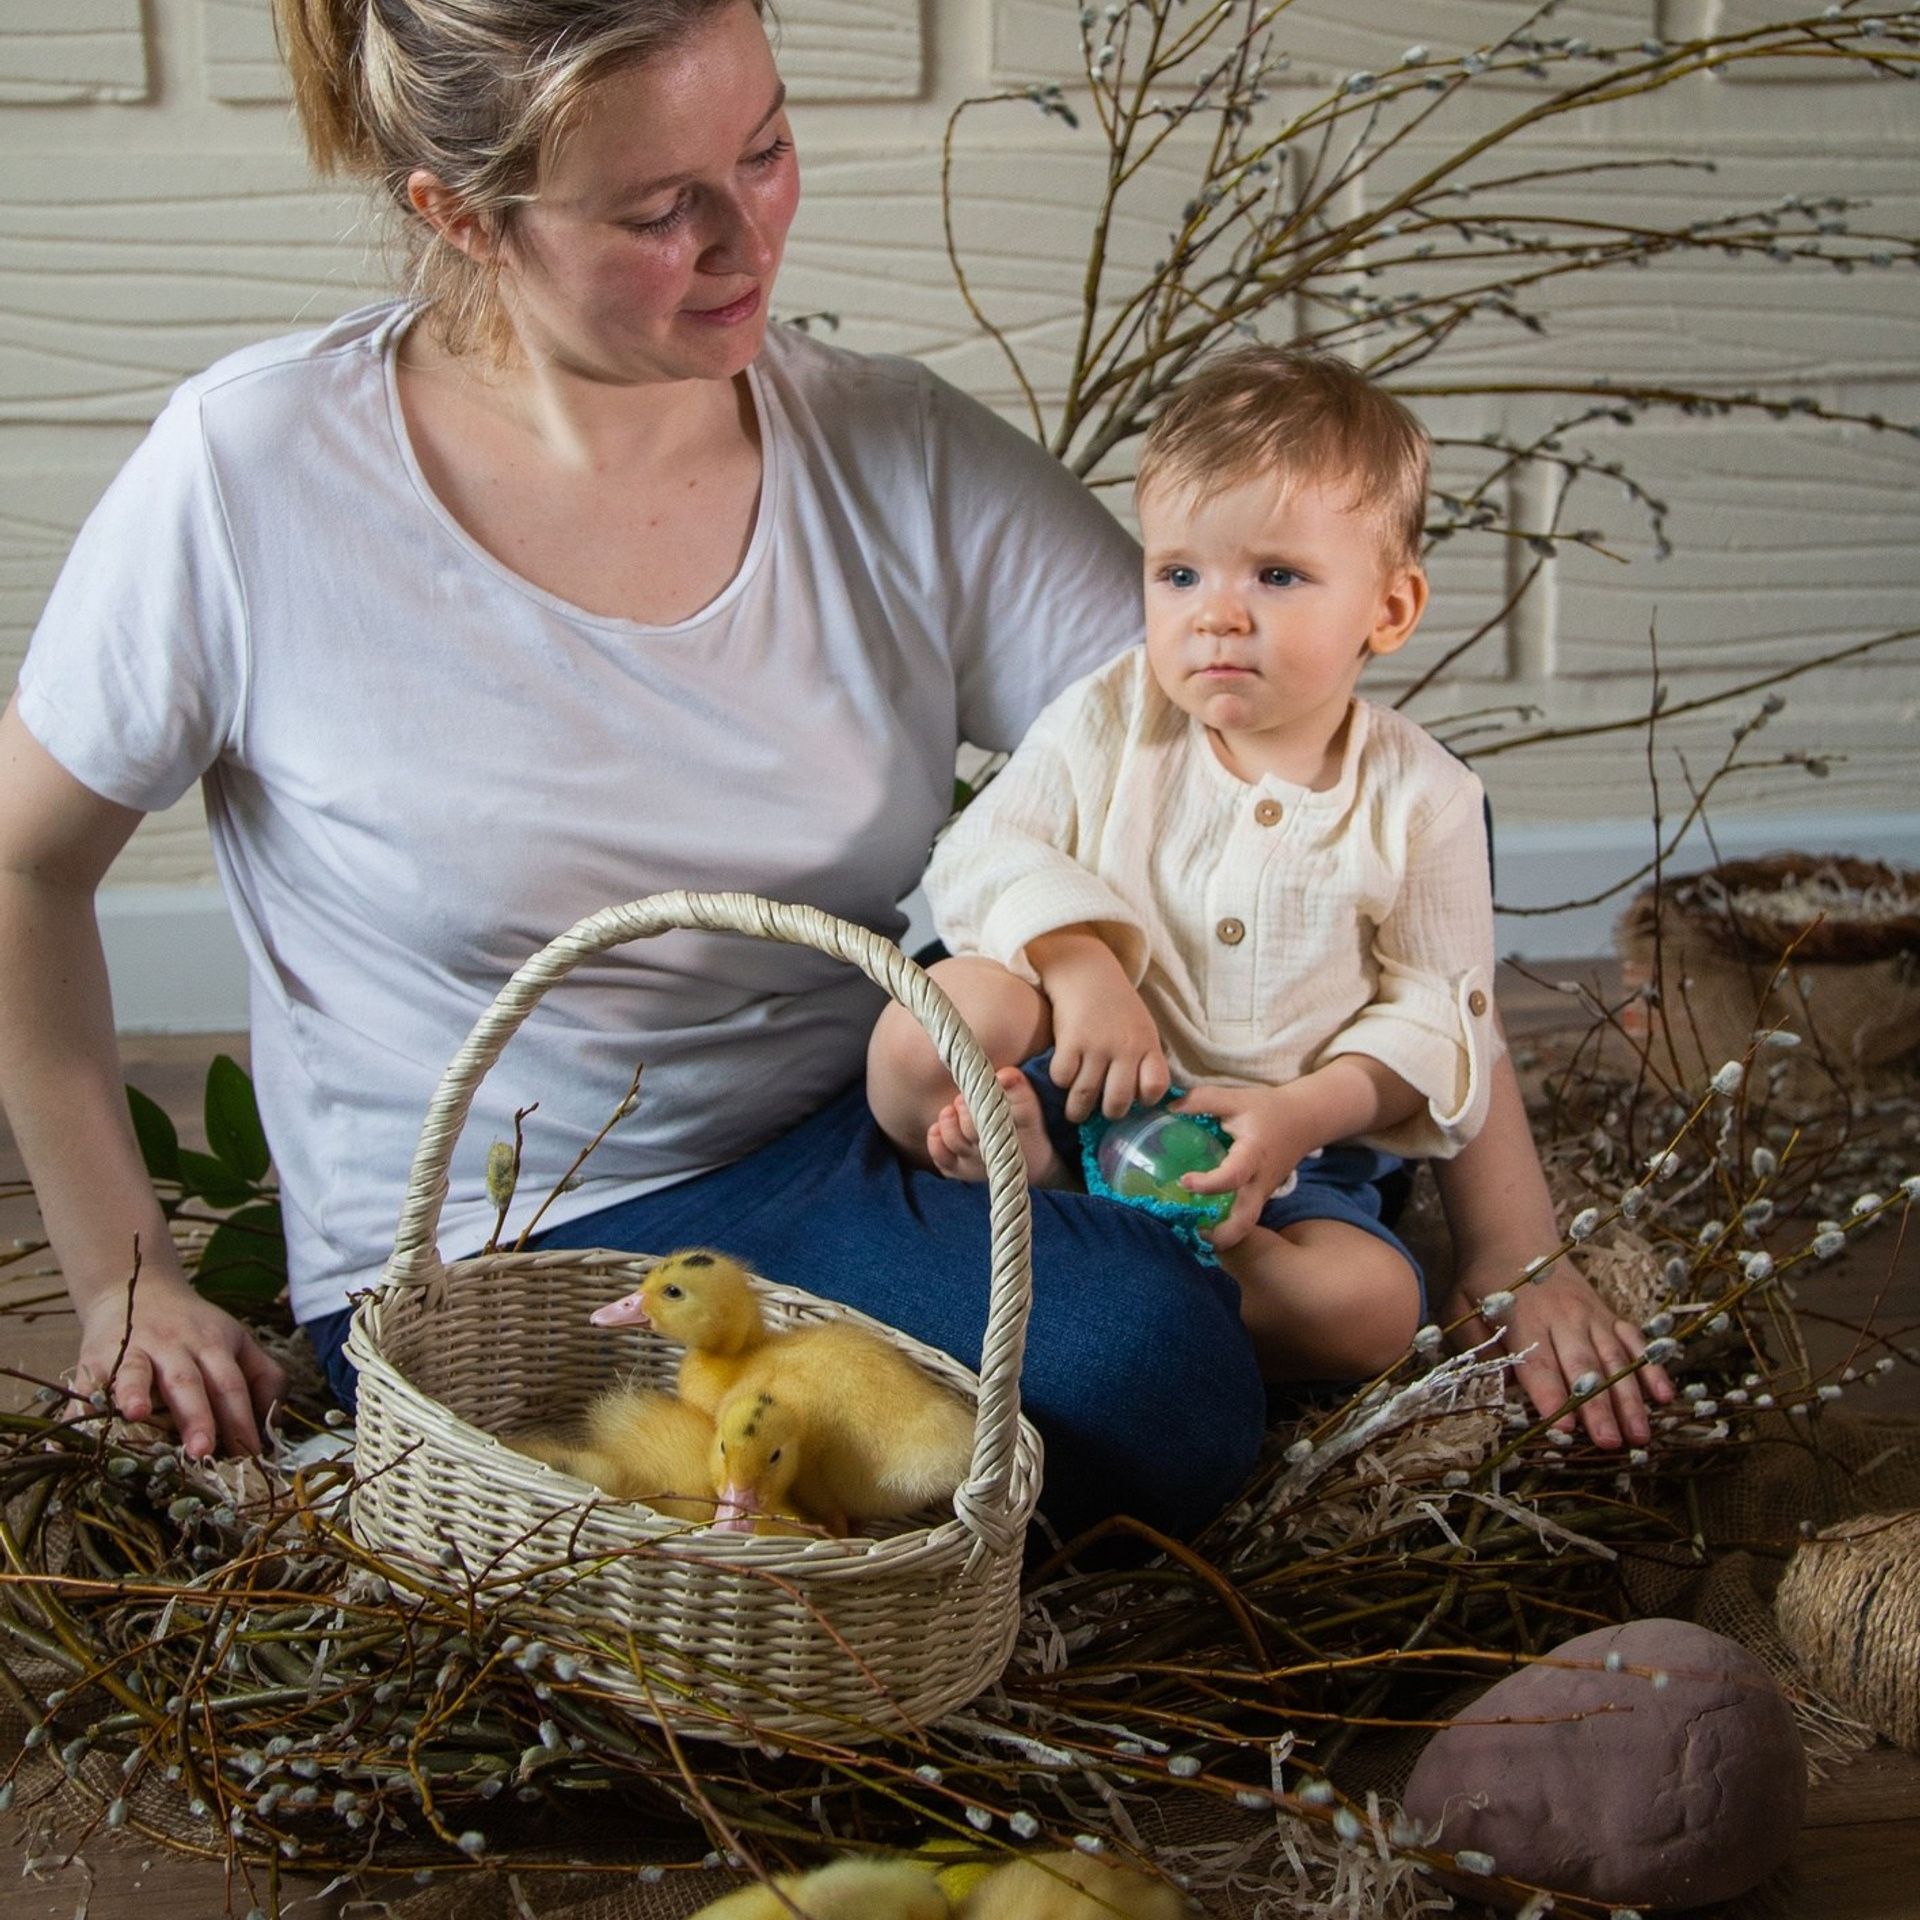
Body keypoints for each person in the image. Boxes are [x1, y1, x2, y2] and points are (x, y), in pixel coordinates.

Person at [0, 0, 1663, 1551]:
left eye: (767, 149)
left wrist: (1514, 1247)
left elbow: (1332, 780)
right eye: (661, 211)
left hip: (872, 1132)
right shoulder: (254, 473)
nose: (747, 242)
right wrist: (125, 1278)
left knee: (1164, 1334)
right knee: (1121, 1377)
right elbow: (25, 864)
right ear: (463, 218)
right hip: (507, 1245)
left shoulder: (890, 451)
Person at [869, 350, 1676, 1420]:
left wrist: (1299, 1114)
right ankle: (1049, 1173)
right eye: (1180, 575)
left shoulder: (1423, 800)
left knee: (1376, 1309)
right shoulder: (1114, 715)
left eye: (1278, 577)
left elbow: (1442, 1017)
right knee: (927, 1031)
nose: (1216, 614)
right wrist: (1081, 965)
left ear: (1389, 609)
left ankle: (1146, 1237)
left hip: (1294, 1160)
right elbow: (980, 848)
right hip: (1080, 1086)